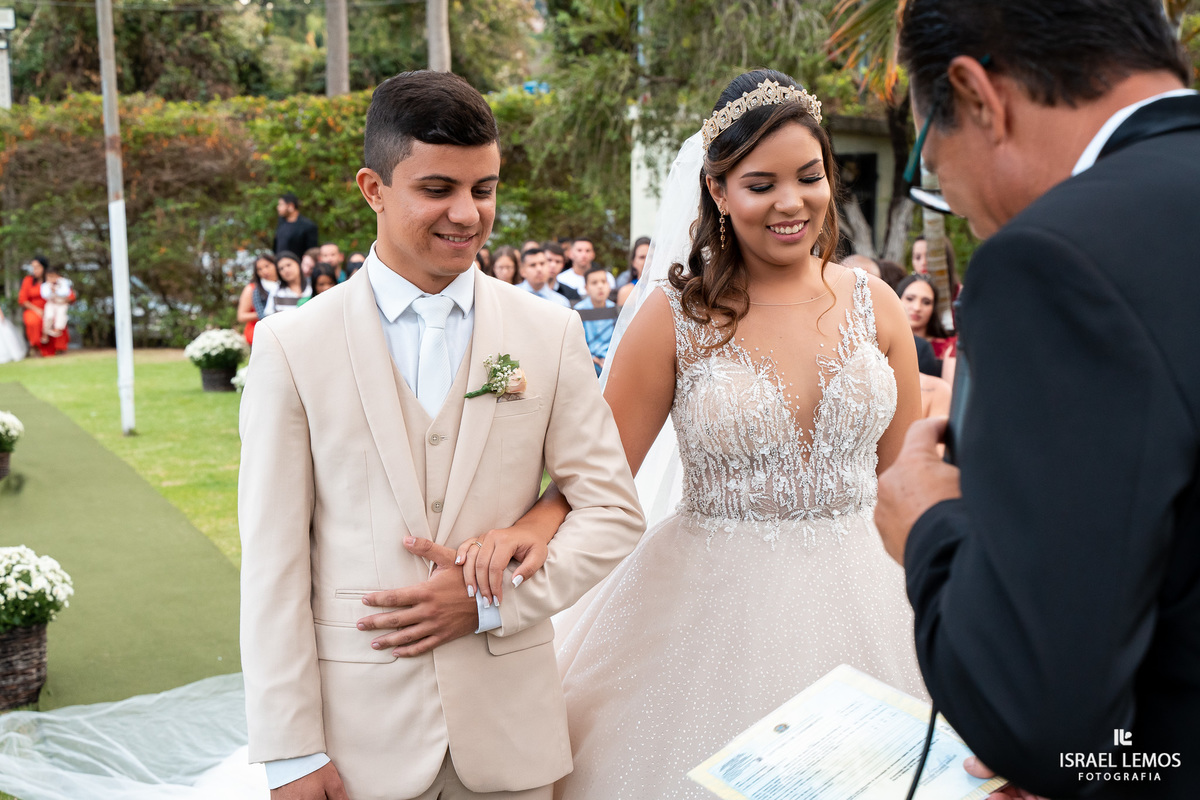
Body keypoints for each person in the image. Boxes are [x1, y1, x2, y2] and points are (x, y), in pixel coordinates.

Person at [458, 69, 925, 799]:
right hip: (710, 609)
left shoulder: (880, 307)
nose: (791, 202)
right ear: (717, 191)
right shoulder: (676, 318)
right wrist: (539, 522)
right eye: (760, 183)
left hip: (876, 600)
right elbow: (601, 467)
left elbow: (908, 486)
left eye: (810, 176)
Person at [238, 69, 643, 800]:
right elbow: (273, 564)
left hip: (510, 739)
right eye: (437, 189)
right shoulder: (293, 346)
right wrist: (290, 751)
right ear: (373, 188)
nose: (467, 214)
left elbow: (613, 510)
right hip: (359, 744)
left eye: (483, 190)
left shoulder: (545, 332)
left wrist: (490, 602)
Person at [875, 2, 1200, 799]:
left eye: (930, 153)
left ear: (978, 96)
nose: (949, 192)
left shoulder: (1058, 258)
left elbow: (1042, 724)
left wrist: (928, 525)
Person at [896, 274, 955, 375]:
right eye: (910, 299)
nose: (917, 307)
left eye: (926, 302)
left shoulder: (947, 348)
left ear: (934, 308)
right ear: (897, 299)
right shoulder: (882, 341)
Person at [18, 255, 73, 357]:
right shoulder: (28, 280)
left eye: (37, 267)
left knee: (58, 319)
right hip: (34, 309)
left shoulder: (54, 279)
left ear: (44, 267)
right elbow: (22, 300)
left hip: (53, 305)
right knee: (33, 321)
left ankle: (59, 349)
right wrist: (37, 310)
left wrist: (61, 298)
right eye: (33, 267)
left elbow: (70, 295)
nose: (35, 270)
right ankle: (36, 348)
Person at [573, 266, 616, 376]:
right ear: (586, 288)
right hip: (587, 362)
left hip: (611, 361)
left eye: (603, 282)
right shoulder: (579, 310)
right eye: (594, 283)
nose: (600, 286)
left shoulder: (615, 309)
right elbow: (576, 343)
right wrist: (595, 360)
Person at [237, 253, 280, 346]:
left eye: (267, 266)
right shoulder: (252, 289)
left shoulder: (284, 286)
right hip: (258, 333)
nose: (264, 271)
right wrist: (267, 313)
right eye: (259, 269)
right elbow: (241, 316)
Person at [262, 251, 310, 315]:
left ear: (298, 263)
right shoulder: (276, 291)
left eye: (289, 265)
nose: (286, 270)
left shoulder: (311, 286)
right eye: (281, 268)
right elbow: (268, 314)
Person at [274, 192, 320, 257]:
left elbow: (311, 252)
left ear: (291, 206)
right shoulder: (281, 223)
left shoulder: (308, 226)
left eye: (281, 204)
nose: (278, 207)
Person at [38, 266, 73, 344]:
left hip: (61, 303)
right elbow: (44, 295)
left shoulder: (63, 282)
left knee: (61, 315)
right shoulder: (45, 285)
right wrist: (51, 290)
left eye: (53, 276)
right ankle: (45, 333)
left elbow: (66, 293)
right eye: (49, 277)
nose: (51, 279)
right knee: (48, 316)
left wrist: (56, 290)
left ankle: (57, 329)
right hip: (51, 303)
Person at [615, 237, 649, 306]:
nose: (647, 261)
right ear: (633, 262)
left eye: (650, 256)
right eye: (642, 257)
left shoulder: (666, 288)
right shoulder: (626, 292)